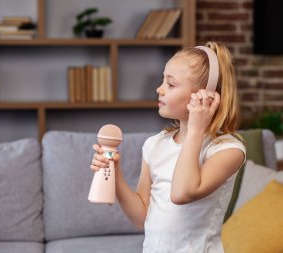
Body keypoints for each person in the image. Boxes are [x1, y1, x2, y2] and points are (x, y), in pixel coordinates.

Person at [90, 41, 246, 252]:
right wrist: (115, 174)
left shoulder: (228, 150)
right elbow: (141, 217)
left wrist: (195, 129)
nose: (159, 89)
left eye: (171, 84)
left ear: (204, 96)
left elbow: (182, 193)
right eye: (162, 80)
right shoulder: (154, 145)